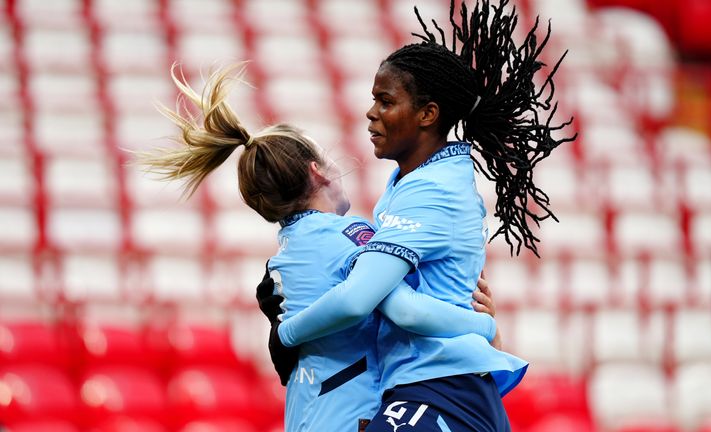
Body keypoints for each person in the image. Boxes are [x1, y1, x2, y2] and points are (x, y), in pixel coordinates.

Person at [138, 62, 503, 431]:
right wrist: (484, 326)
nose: (370, 112)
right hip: (349, 414)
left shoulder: (282, 261)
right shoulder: (350, 236)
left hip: (304, 412)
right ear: (317, 170)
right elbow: (395, 305)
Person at [271, 0, 574, 430]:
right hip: (427, 390)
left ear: (428, 114)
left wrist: (287, 333)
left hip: (441, 388)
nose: (370, 112)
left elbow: (373, 300)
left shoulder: (432, 191)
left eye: (385, 101)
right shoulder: (412, 183)